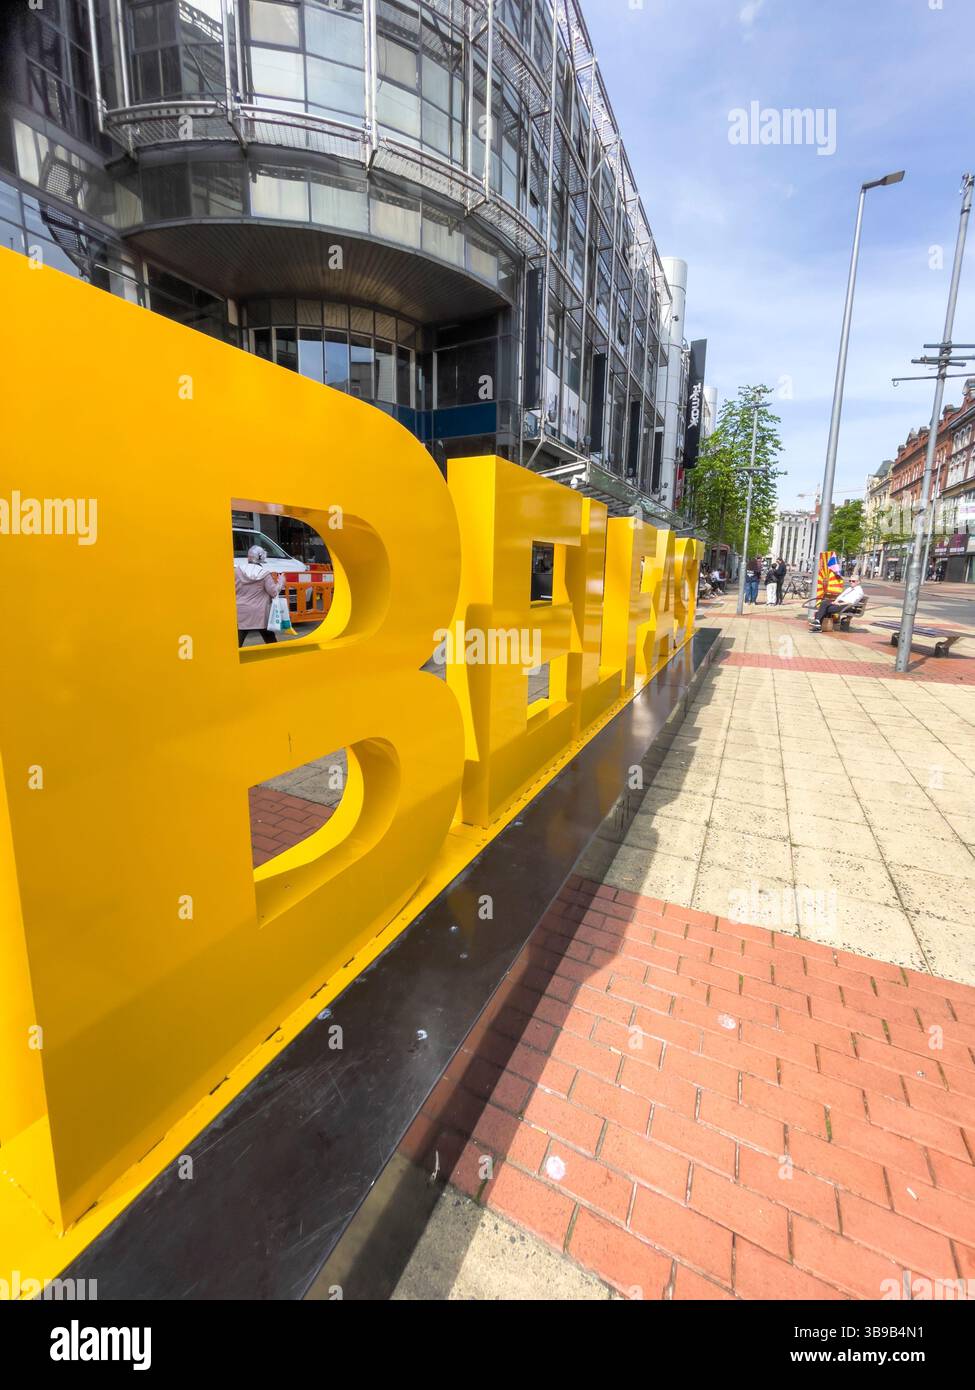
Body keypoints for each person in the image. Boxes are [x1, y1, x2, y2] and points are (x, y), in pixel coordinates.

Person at [236, 545, 284, 646]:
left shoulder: (237, 571)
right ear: (262, 558)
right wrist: (281, 582)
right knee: (270, 640)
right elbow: (274, 592)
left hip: (241, 611)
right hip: (260, 613)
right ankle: (275, 656)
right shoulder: (264, 574)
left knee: (237, 642)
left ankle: (231, 660)